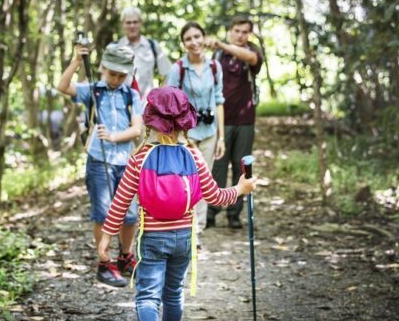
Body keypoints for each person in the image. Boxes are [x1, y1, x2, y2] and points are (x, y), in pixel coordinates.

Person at [97, 86, 257, 320]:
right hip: (183, 238)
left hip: (152, 238)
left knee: (148, 297)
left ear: (150, 121)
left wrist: (106, 237)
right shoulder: (193, 155)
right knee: (173, 293)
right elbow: (215, 197)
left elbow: (120, 202)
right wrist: (240, 188)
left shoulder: (139, 158)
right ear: (185, 122)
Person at [57, 43, 144, 287]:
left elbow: (137, 128)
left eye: (121, 75)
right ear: (103, 68)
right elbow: (62, 86)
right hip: (99, 161)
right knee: (104, 213)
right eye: (112, 73)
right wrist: (76, 61)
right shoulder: (94, 90)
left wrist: (114, 136)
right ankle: (105, 263)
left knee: (129, 213)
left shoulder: (131, 94)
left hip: (125, 162)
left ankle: (126, 256)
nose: (116, 79)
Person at [165, 22, 225, 234]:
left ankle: (197, 229)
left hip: (209, 132)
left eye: (197, 36)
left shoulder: (215, 67)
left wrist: (221, 138)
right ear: (183, 43)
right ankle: (182, 226)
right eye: (188, 39)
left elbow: (219, 101)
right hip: (186, 133)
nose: (194, 42)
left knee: (204, 179)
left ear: (204, 37)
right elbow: (169, 102)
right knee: (185, 179)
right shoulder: (178, 69)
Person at [205, 16, 263, 229]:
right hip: (221, 119)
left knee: (242, 165)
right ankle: (212, 210)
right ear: (230, 31)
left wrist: (221, 44)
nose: (240, 35)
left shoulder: (252, 51)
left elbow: (252, 59)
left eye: (244, 32)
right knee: (218, 165)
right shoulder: (218, 54)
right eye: (237, 31)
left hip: (245, 119)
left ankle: (235, 213)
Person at [115, 6, 172, 99]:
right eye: (128, 22)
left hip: (147, 105)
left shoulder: (152, 46)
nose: (132, 26)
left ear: (141, 23)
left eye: (135, 22)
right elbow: (105, 78)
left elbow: (169, 74)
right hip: (120, 104)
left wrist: (160, 96)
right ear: (123, 24)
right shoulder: (115, 47)